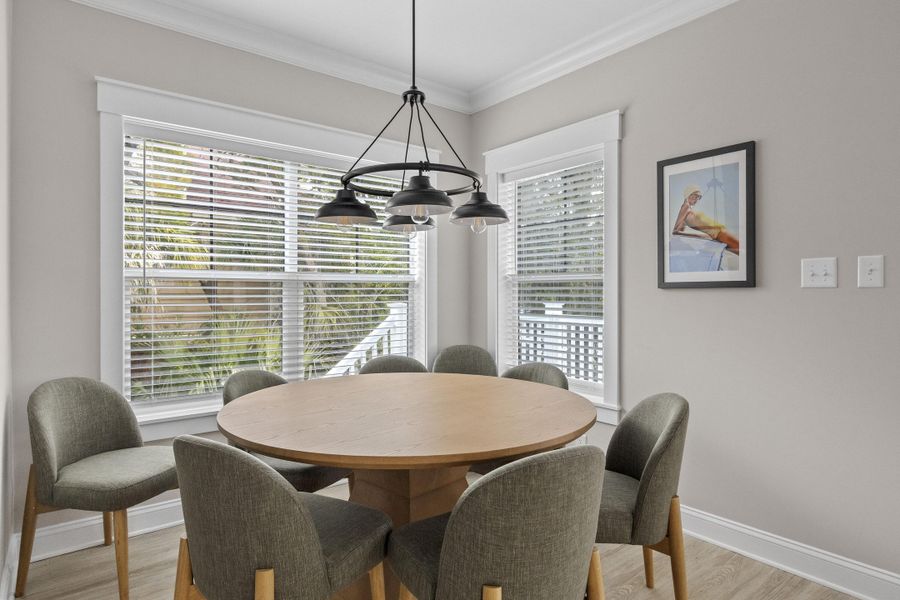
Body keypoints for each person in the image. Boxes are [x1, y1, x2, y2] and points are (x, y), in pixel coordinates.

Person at [672, 184, 739, 254]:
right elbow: (676, 232)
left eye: (699, 197)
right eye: (696, 196)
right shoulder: (685, 207)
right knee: (743, 251)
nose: (697, 199)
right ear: (688, 194)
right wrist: (702, 236)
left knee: (742, 252)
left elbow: (680, 231)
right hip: (719, 234)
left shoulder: (688, 209)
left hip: (720, 233)